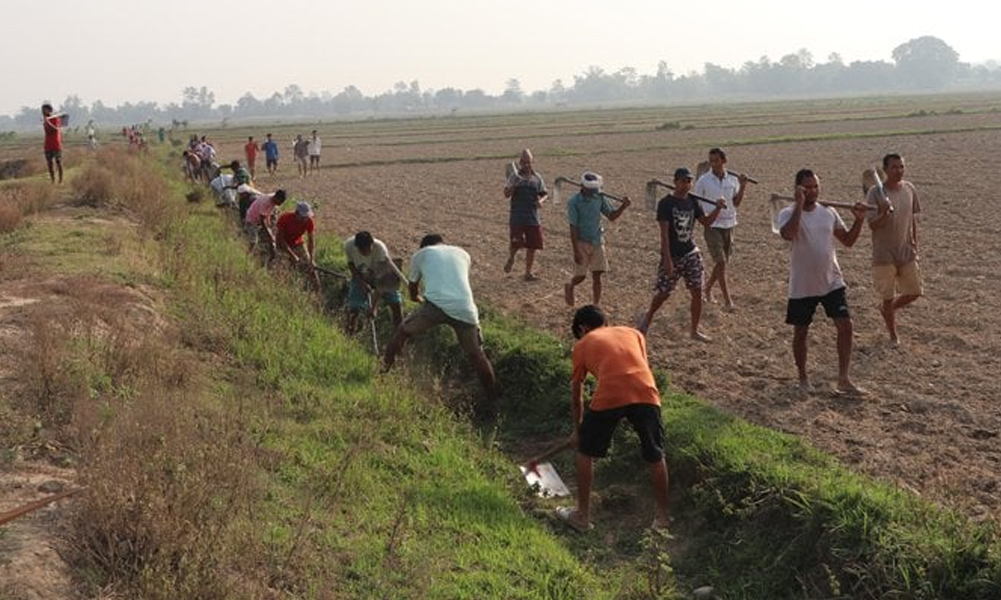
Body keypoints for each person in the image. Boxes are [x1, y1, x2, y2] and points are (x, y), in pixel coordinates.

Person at [554, 304, 670, 533]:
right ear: (605, 322)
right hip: (647, 393)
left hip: (611, 392)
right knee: (655, 453)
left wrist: (578, 431)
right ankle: (664, 518)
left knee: (585, 452)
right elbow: (636, 368)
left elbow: (577, 393)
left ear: (583, 328)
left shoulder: (583, 344)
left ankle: (582, 517)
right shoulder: (634, 333)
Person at [777, 169, 867, 394]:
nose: (813, 191)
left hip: (831, 280)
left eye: (816, 186)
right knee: (801, 331)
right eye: (807, 187)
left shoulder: (829, 212)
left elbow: (847, 240)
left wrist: (859, 221)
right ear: (798, 189)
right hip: (803, 284)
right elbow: (789, 234)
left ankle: (844, 379)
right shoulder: (787, 213)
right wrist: (798, 204)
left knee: (846, 326)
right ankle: (803, 377)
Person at [383, 234, 497, 409]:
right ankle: (492, 398)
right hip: (465, 309)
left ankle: (384, 373)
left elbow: (412, 285)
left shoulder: (421, 254)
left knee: (402, 332)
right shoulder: (463, 253)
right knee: (477, 355)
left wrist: (414, 297)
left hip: (435, 305)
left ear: (424, 246)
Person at [636, 167, 725, 341]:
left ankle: (694, 331)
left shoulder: (693, 201)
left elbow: (706, 222)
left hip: (690, 252)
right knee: (663, 293)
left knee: (697, 291)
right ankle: (648, 318)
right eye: (683, 181)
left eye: (689, 181)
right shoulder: (666, 204)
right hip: (672, 255)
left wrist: (718, 208)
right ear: (675, 182)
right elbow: (664, 234)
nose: (686, 185)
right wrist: (667, 260)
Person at [866, 153, 922, 346]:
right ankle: (893, 335)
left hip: (905, 251)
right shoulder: (875, 193)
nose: (899, 170)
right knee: (888, 297)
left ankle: (886, 310)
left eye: (901, 167)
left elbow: (912, 218)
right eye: (894, 167)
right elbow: (873, 225)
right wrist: (884, 212)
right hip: (884, 255)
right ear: (886, 170)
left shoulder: (909, 189)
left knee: (914, 292)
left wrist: (915, 241)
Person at [693, 148, 749, 310]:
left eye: (716, 160)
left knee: (722, 265)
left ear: (724, 161)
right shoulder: (704, 180)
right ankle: (727, 301)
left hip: (729, 224)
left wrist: (743, 186)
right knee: (721, 262)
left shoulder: (733, 180)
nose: (713, 164)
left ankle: (708, 288)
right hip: (712, 225)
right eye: (711, 161)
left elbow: (736, 202)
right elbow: (697, 202)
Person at [564, 171, 631, 306]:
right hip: (581, 241)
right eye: (592, 189)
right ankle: (570, 285)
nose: (595, 191)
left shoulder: (599, 198)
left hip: (597, 240)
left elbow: (611, 216)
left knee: (597, 275)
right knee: (581, 276)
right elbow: (573, 228)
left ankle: (596, 305)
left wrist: (623, 206)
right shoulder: (574, 202)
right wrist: (576, 250)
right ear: (583, 187)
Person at [343, 231, 405, 335]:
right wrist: (361, 282)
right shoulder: (348, 245)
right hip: (362, 274)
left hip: (383, 274)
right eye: (362, 250)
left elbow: (382, 282)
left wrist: (373, 307)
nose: (366, 252)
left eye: (368, 249)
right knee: (354, 306)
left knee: (396, 303)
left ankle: (399, 335)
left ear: (372, 244)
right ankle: (349, 334)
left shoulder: (380, 249)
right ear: (356, 247)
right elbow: (351, 265)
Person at [502, 148, 548, 281]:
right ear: (520, 162)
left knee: (532, 246)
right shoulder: (514, 177)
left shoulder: (537, 178)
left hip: (532, 217)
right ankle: (511, 258)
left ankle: (528, 272)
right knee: (516, 243)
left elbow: (544, 193)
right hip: (517, 216)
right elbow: (506, 194)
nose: (527, 165)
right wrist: (514, 186)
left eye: (529, 162)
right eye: (524, 162)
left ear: (532, 162)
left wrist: (540, 201)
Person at [276, 201, 322, 290]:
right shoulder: (285, 218)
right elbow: (280, 239)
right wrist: (292, 255)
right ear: (297, 214)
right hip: (283, 245)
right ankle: (285, 289)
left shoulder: (309, 221)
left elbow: (311, 241)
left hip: (298, 244)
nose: (306, 219)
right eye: (304, 217)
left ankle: (317, 290)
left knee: (312, 267)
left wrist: (311, 259)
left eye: (307, 216)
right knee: (283, 269)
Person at [244, 188, 288, 261]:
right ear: (276, 197)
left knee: (268, 236)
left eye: (282, 202)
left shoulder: (274, 199)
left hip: (258, 219)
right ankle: (246, 256)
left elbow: (268, 215)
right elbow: (263, 220)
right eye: (280, 202)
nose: (280, 204)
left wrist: (269, 228)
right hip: (251, 220)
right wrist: (269, 234)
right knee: (254, 241)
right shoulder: (266, 202)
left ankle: (271, 257)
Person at [41, 104, 63, 184]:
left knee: (58, 162)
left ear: (50, 110)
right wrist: (46, 122)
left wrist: (48, 122)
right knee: (49, 164)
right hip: (47, 145)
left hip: (56, 144)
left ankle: (60, 181)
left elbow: (55, 130)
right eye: (42, 110)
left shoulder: (55, 118)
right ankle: (53, 180)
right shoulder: (45, 120)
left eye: (44, 110)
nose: (43, 111)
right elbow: (47, 131)